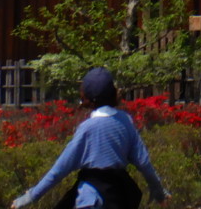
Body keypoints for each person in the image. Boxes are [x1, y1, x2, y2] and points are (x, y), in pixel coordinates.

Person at [11, 67, 167, 209]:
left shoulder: (87, 128)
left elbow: (59, 170)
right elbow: (144, 162)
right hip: (119, 197)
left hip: (91, 199)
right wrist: (158, 191)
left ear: (88, 98)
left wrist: (30, 196)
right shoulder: (125, 121)